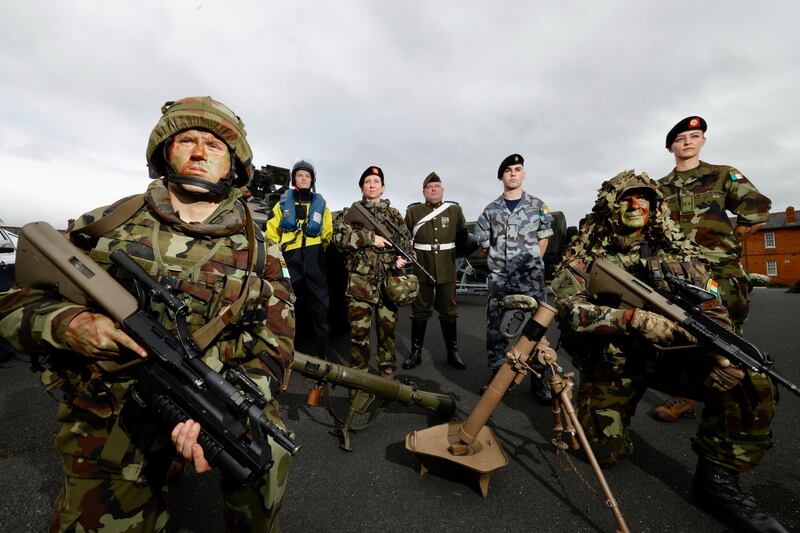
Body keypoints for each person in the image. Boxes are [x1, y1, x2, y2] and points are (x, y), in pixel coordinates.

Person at [0, 97, 295, 532]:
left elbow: (277, 341)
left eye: (214, 145)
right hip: (111, 410)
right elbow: (14, 307)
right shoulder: (107, 225)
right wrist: (70, 324)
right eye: (186, 140)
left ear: (232, 166)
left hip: (207, 396)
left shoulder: (259, 251)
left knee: (264, 463)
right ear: (164, 152)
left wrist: (230, 400)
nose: (198, 152)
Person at [550, 170, 784, 532]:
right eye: (626, 198)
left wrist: (721, 354)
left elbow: (712, 307)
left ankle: (717, 483)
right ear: (610, 207)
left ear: (655, 206)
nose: (634, 204)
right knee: (602, 454)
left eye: (643, 198)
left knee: (751, 382)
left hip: (670, 361)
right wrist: (633, 319)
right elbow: (568, 308)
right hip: (613, 365)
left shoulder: (677, 253)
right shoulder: (589, 253)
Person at [652, 116, 772, 422]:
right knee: (682, 334)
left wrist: (726, 246)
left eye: (694, 136)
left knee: (727, 336)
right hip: (677, 275)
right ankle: (685, 397)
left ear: (703, 141)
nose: (688, 142)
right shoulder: (658, 189)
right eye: (680, 138)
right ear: (670, 148)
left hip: (721, 274)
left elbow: (756, 212)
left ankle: (729, 405)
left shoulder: (723, 175)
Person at [474, 154, 553, 402]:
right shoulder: (491, 210)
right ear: (502, 176)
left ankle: (540, 380)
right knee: (497, 329)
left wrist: (534, 263)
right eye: (508, 170)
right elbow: (483, 241)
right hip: (500, 280)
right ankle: (498, 377)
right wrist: (498, 262)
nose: (513, 173)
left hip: (530, 279)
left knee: (535, 330)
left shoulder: (537, 205)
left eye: (518, 169)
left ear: (523, 174)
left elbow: (544, 236)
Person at [333, 165, 412, 379]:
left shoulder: (394, 215)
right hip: (359, 283)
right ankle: (359, 377)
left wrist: (403, 257)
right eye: (367, 182)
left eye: (376, 182)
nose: (372, 184)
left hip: (387, 282)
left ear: (383, 188)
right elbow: (339, 240)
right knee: (359, 335)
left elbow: (407, 243)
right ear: (361, 187)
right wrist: (369, 238)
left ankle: (387, 372)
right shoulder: (352, 213)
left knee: (387, 332)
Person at [402, 171, 469, 370]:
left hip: (447, 268)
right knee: (420, 310)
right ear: (424, 191)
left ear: (442, 190)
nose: (433, 189)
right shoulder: (414, 212)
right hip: (422, 266)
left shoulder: (454, 211)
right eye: (430, 187)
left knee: (449, 311)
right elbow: (405, 237)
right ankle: (416, 353)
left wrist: (454, 259)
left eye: (437, 186)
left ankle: (453, 352)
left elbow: (462, 237)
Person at [266, 159, 332, 359]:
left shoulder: (321, 206)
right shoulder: (282, 204)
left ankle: (322, 353)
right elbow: (271, 233)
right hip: (289, 259)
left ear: (312, 180)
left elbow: (327, 232)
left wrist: (318, 250)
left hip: (314, 259)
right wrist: (279, 256)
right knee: (283, 304)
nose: (303, 178)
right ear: (294, 178)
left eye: (307, 175)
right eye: (300, 175)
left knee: (321, 307)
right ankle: (281, 352)